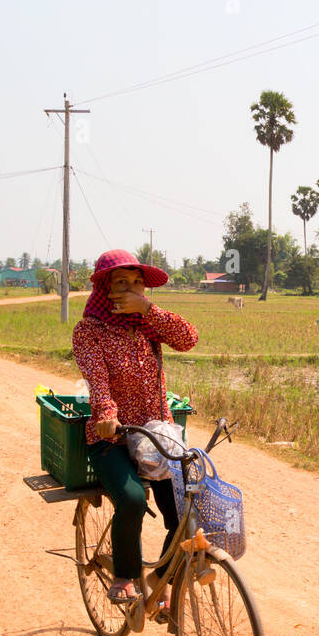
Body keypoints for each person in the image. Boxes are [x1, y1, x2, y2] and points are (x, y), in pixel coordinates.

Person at [71, 249, 198, 607]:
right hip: (113, 438)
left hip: (156, 434)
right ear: (104, 289)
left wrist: (147, 310)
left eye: (137, 283)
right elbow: (98, 382)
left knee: (186, 510)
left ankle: (159, 577)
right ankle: (125, 576)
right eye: (121, 283)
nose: (131, 290)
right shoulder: (89, 332)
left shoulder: (148, 325)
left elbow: (189, 338)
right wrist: (107, 416)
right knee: (130, 500)